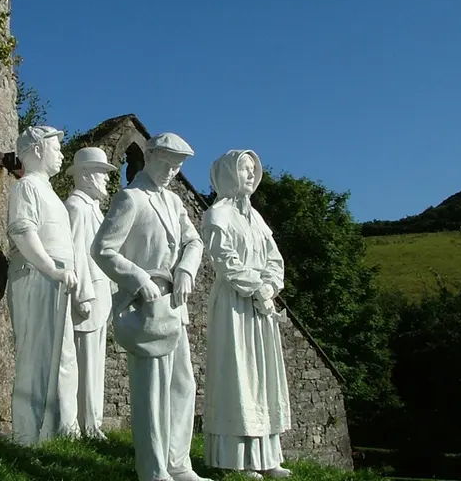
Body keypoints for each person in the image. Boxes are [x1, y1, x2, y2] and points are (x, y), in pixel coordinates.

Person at [91, 133, 210, 481]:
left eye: (178, 166)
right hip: (145, 305)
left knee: (182, 385)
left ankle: (178, 463)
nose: (172, 171)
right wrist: (139, 280)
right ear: (149, 156)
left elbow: (193, 240)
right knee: (152, 391)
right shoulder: (131, 198)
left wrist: (186, 269)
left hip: (174, 304)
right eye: (166, 163)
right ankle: (154, 469)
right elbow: (103, 249)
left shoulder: (173, 203)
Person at [201, 150, 292, 479]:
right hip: (234, 304)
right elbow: (224, 260)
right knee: (238, 374)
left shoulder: (256, 218)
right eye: (244, 168)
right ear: (227, 172)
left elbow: (274, 258)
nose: (251, 174)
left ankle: (268, 456)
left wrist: (269, 287)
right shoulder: (216, 215)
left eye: (254, 169)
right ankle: (236, 458)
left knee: (264, 375)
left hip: (261, 306)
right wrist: (255, 288)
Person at [6, 125, 80, 445]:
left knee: (61, 358)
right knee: (36, 357)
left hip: (56, 280)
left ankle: (58, 428)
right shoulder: (27, 188)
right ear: (36, 150)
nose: (61, 153)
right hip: (37, 277)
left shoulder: (49, 193)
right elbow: (23, 232)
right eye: (55, 147)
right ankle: (27, 433)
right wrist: (51, 269)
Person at [64, 147, 118, 439]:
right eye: (101, 173)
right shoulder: (76, 207)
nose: (107, 180)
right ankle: (85, 423)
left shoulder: (94, 209)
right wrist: (82, 294)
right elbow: (75, 253)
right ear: (85, 175)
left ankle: (93, 421)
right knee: (84, 361)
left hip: (101, 293)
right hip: (89, 294)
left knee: (96, 362)